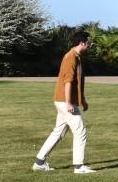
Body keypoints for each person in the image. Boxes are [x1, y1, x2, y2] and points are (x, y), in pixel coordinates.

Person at [33, 30, 95, 174]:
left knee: (59, 132)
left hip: (64, 101)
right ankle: (79, 167)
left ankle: (40, 162)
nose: (90, 45)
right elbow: (68, 81)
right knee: (80, 130)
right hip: (65, 102)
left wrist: (83, 100)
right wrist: (69, 103)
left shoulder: (77, 57)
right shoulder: (71, 57)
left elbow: (77, 82)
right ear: (82, 43)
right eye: (89, 42)